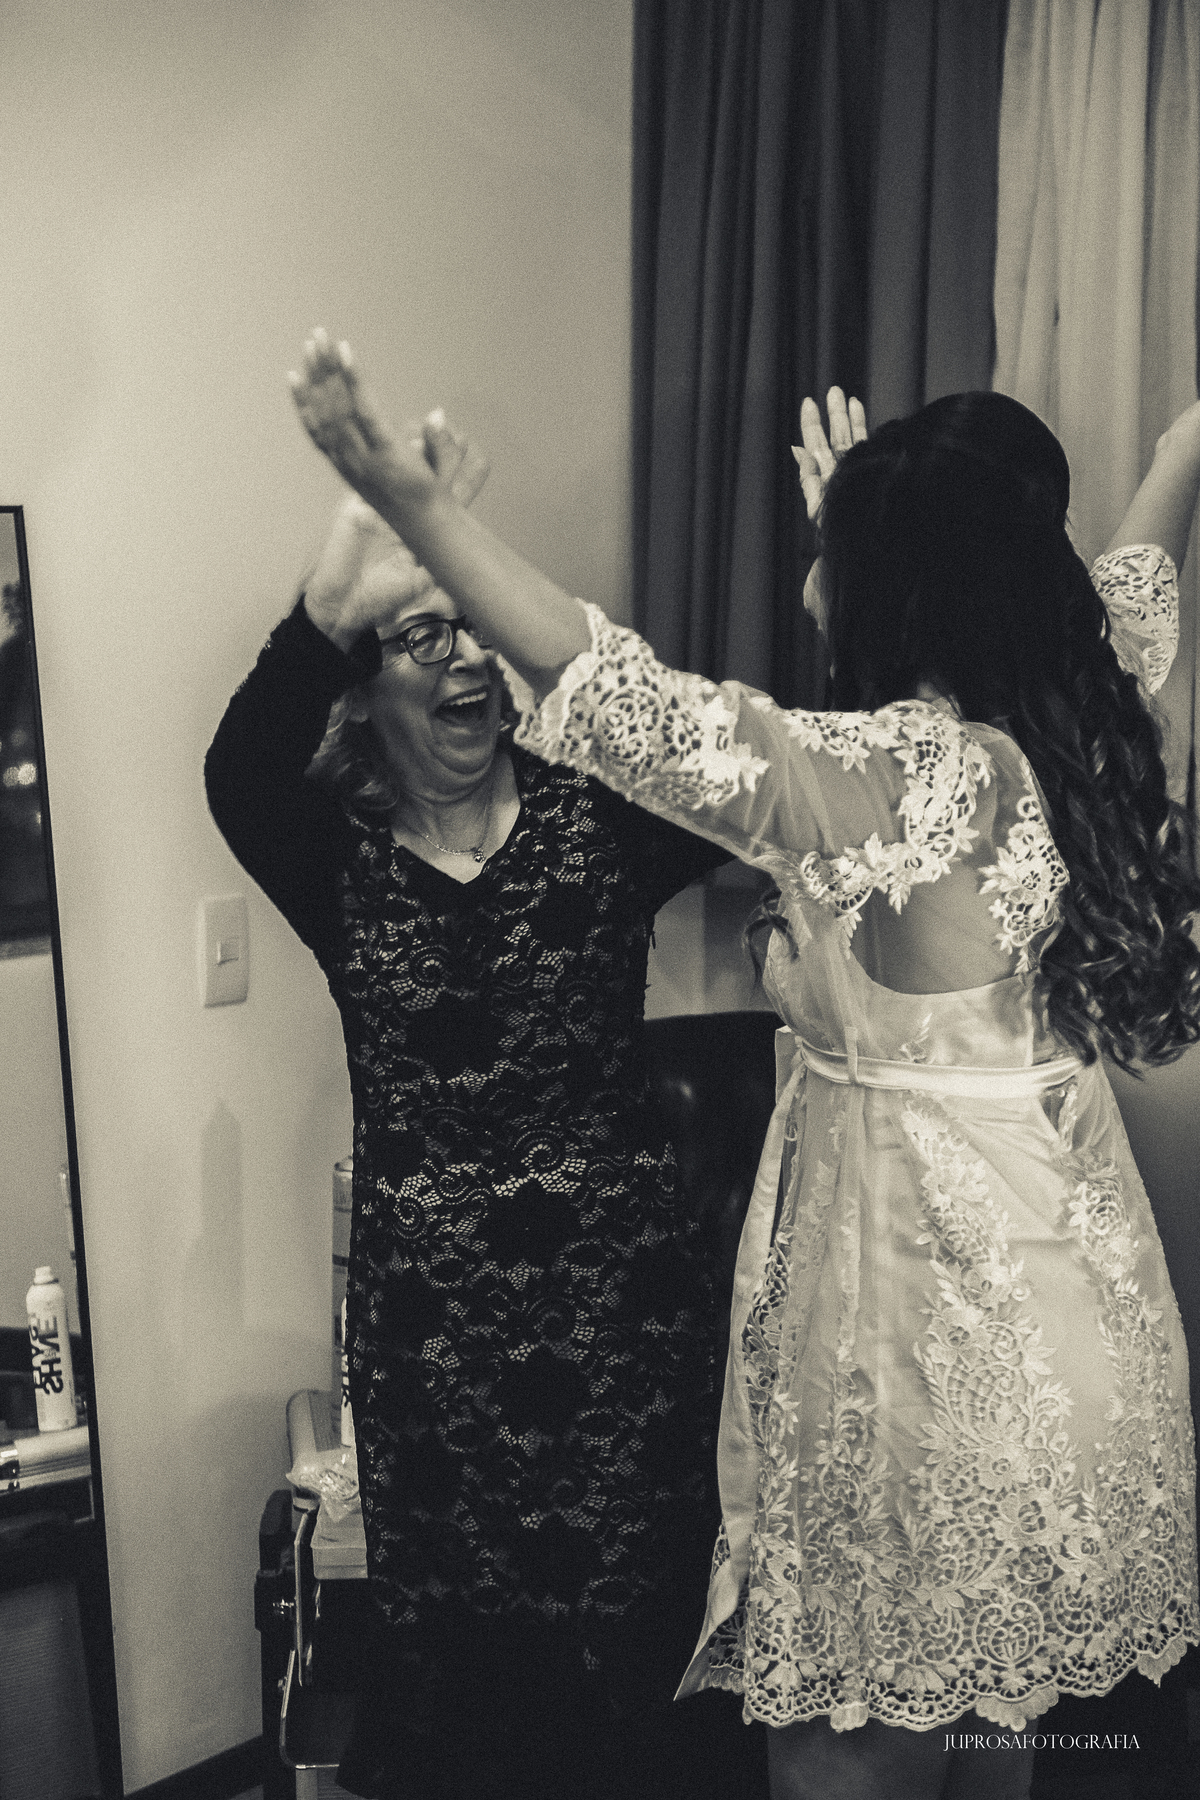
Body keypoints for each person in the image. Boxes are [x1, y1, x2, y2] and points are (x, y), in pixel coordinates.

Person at [287, 326, 1200, 1800]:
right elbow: (1142, 568)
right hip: (1071, 1318)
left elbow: (631, 706)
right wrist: (1178, 452)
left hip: (927, 1339)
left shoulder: (911, 775)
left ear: (898, 594)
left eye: (833, 558)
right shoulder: (1096, 716)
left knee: (843, 1750)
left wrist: (421, 511)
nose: (809, 578)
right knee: (993, 1739)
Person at [204, 429, 736, 1800]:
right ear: (362, 689)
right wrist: (339, 581)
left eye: (476, 631)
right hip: (435, 1356)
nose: (464, 662)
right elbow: (236, 771)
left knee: (637, 1690)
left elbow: (727, 769)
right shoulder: (333, 858)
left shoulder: (603, 816)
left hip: (623, 1332)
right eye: (420, 637)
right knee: (471, 1704)